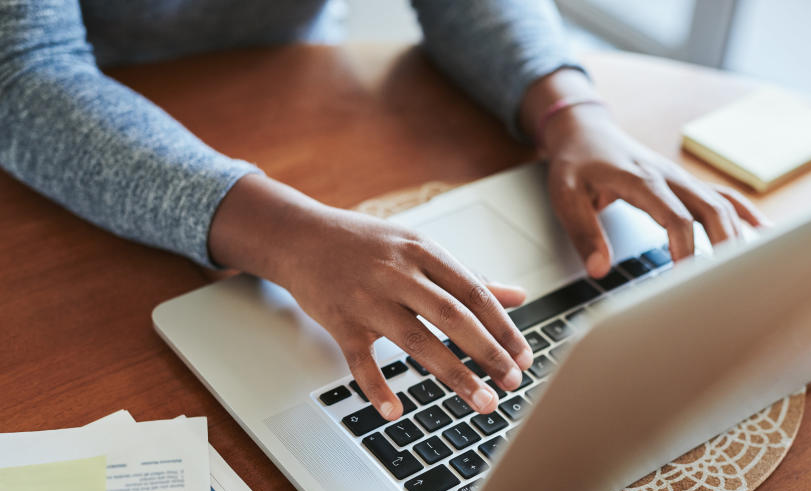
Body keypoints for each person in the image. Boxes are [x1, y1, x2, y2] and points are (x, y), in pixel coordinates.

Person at [0, 0, 766, 422]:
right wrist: (285, 232)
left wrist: (571, 110)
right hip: (64, 184)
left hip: (301, 97)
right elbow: (22, 69)